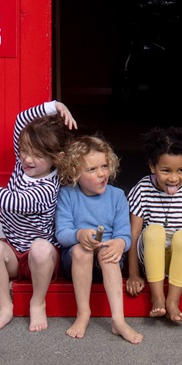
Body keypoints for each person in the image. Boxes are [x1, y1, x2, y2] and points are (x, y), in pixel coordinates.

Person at [0, 100, 77, 332]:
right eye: (24, 151)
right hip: (15, 251)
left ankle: (37, 302)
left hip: (41, 261)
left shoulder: (47, 187)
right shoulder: (23, 167)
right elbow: (21, 121)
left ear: (57, 158)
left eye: (37, 155)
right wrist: (55, 106)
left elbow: (14, 202)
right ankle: (4, 307)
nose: (27, 159)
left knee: (40, 249)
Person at [55, 135, 143, 344]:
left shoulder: (117, 196)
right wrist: (79, 234)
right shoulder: (68, 195)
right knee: (80, 250)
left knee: (108, 253)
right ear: (75, 172)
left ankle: (118, 321)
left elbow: (125, 234)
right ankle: (83, 314)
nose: (101, 173)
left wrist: (120, 243)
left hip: (107, 259)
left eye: (104, 166)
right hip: (77, 262)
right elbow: (61, 234)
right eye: (92, 170)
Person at [124, 127, 182, 323]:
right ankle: (157, 297)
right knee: (155, 231)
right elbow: (134, 233)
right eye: (166, 171)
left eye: (181, 170)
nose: (174, 178)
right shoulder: (142, 189)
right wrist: (133, 274)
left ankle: (173, 301)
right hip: (150, 257)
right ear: (152, 167)